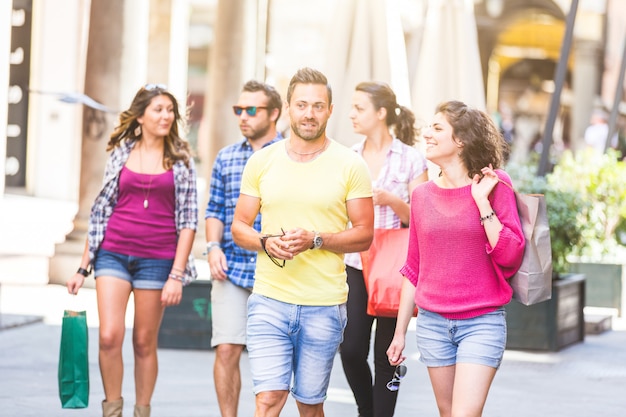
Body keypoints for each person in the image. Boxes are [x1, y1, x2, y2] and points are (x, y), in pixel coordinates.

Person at [231, 67, 374, 417]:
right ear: (288, 108)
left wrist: (317, 239)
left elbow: (365, 233)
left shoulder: (351, 164)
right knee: (268, 399)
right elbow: (239, 226)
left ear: (329, 109)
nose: (309, 113)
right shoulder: (262, 161)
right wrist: (265, 242)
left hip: (323, 305)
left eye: (318, 106)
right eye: (302, 105)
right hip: (269, 300)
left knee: (309, 405)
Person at [66, 84, 198, 417]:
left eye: (170, 110)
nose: (166, 115)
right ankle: (112, 411)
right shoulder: (122, 152)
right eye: (158, 109)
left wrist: (177, 276)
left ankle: (142, 411)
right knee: (110, 336)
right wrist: (83, 267)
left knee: (143, 342)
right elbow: (101, 209)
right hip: (113, 252)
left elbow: (188, 221)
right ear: (140, 116)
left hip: (158, 260)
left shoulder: (181, 160)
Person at [386, 100, 525, 417]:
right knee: (448, 413)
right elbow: (413, 269)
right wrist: (399, 334)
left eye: (437, 128)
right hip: (433, 324)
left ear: (461, 140)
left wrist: (481, 202)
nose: (427, 134)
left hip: (482, 322)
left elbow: (510, 255)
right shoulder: (421, 195)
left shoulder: (494, 184)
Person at [340, 81, 428, 417]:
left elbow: (421, 219)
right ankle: (367, 409)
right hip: (356, 263)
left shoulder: (410, 159)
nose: (352, 114)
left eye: (359, 108)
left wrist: (392, 200)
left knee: (386, 354)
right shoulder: (348, 156)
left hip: (395, 268)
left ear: (380, 113)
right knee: (350, 349)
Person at [205, 80, 283, 417]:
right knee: (226, 350)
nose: (243, 116)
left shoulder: (290, 156)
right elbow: (214, 209)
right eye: (239, 110)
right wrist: (211, 247)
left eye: (252, 110)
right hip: (232, 268)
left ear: (275, 113)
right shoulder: (226, 157)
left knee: (276, 359)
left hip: (278, 272)